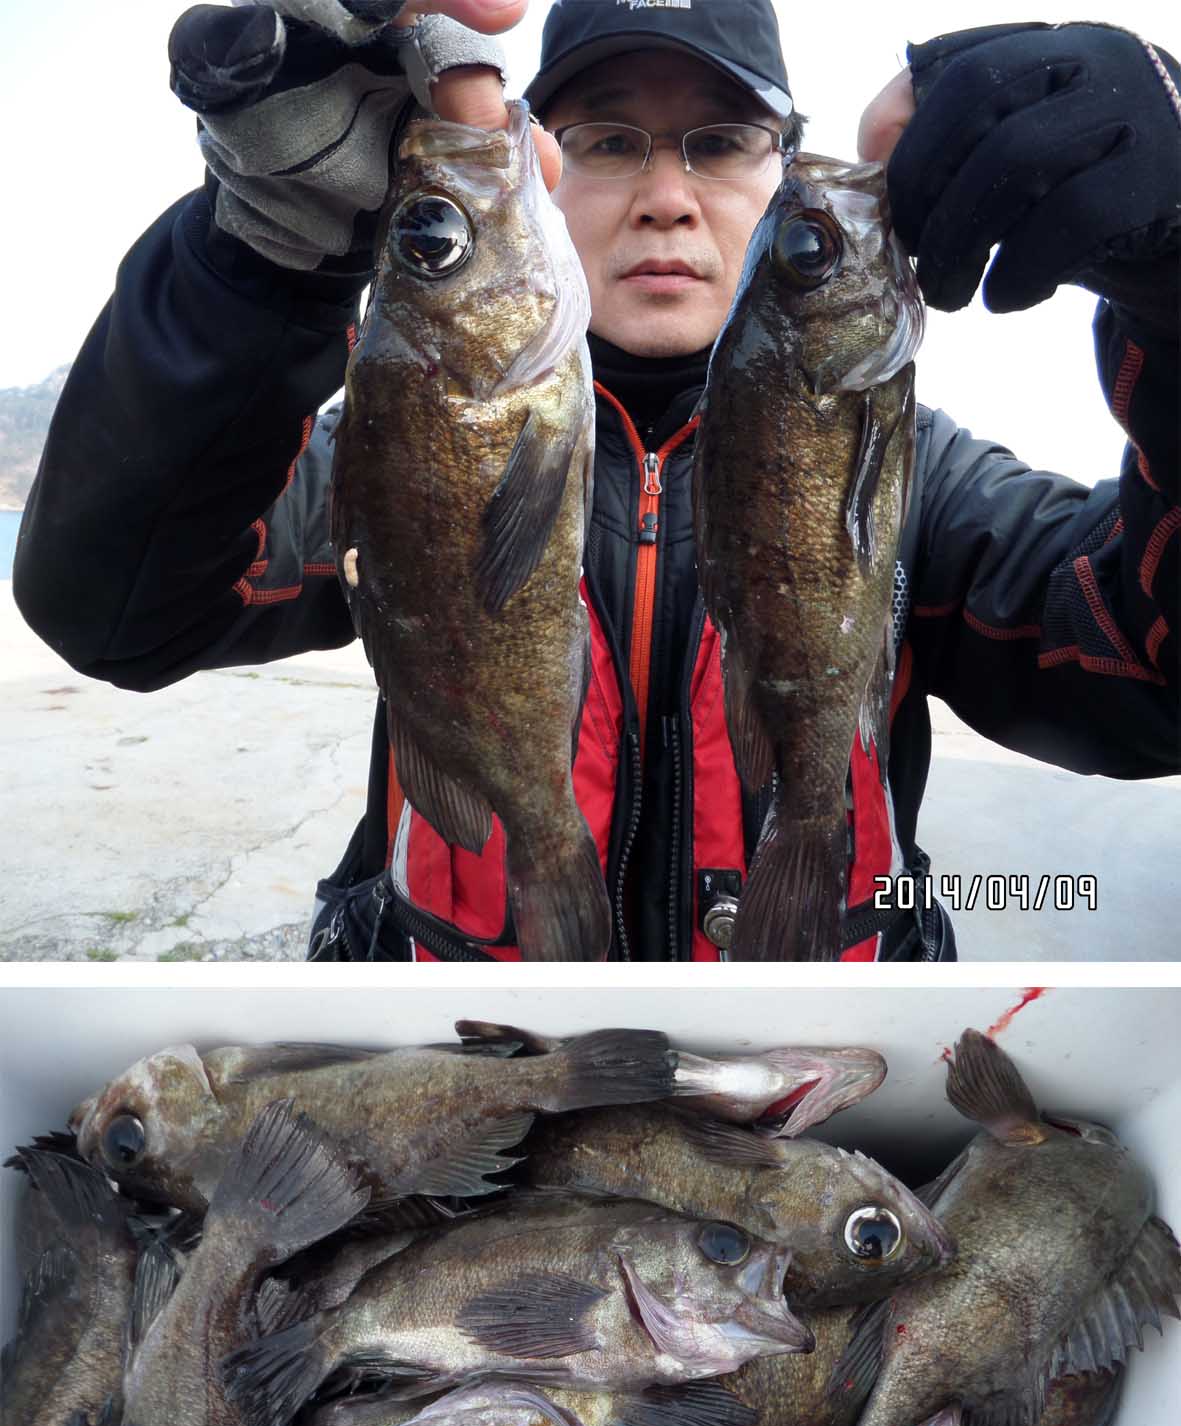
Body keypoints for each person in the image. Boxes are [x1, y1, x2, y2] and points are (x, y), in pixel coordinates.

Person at [15, 2, 1181, 963]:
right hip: (469, 1055)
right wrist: (258, 264)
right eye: (610, 141)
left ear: (782, 169)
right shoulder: (399, 445)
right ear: (542, 170)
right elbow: (119, 609)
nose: (666, 195)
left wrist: (1174, 292)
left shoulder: (923, 477)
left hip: (808, 1059)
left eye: (719, 141)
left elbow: (1149, 672)